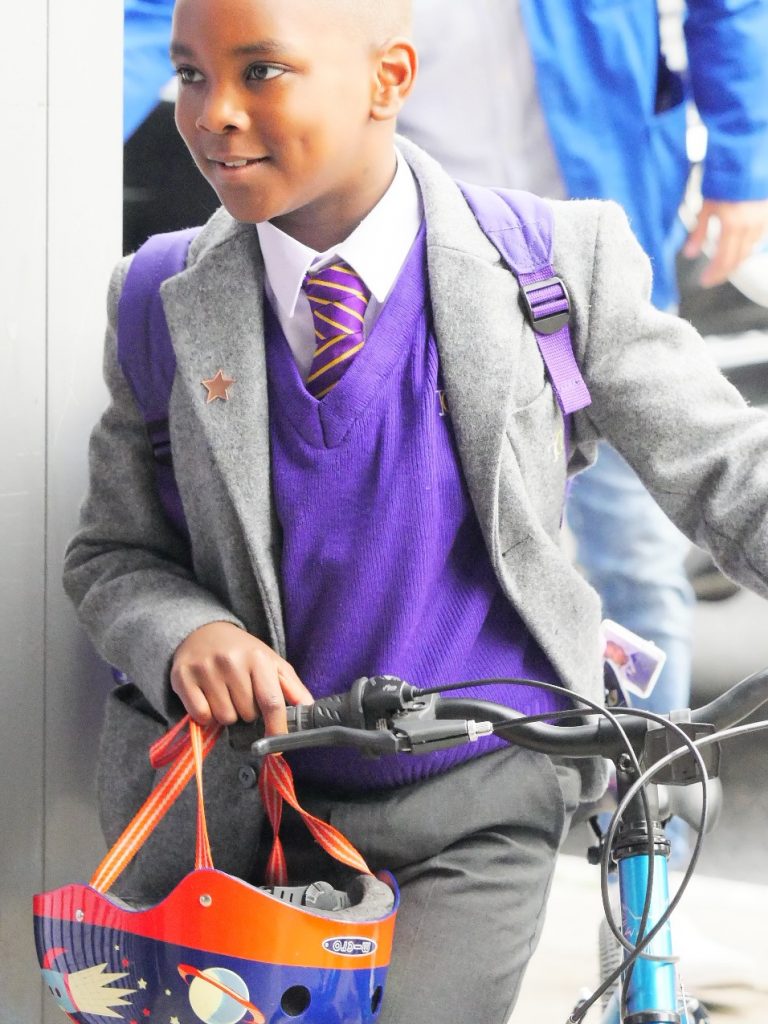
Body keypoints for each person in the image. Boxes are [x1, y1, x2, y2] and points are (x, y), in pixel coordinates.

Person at [63, 0, 768, 1020]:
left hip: (477, 795)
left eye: (259, 72)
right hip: (246, 817)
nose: (212, 112)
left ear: (389, 80)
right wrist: (185, 632)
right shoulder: (159, 295)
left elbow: (725, 467)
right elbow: (113, 553)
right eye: (188, 75)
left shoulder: (556, 262)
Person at [398, 0, 768, 722]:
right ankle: (462, 801)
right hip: (423, 261)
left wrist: (744, 158)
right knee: (424, 563)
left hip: (592, 232)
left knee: (632, 553)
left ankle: (649, 809)